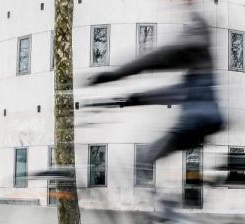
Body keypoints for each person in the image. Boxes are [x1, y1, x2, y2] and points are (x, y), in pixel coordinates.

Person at [88, 0, 223, 170]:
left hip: (196, 122)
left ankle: (159, 197)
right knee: (150, 156)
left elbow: (161, 57)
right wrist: (136, 98)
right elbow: (178, 92)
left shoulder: (196, 35)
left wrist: (117, 74)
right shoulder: (198, 73)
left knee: (143, 159)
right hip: (202, 122)